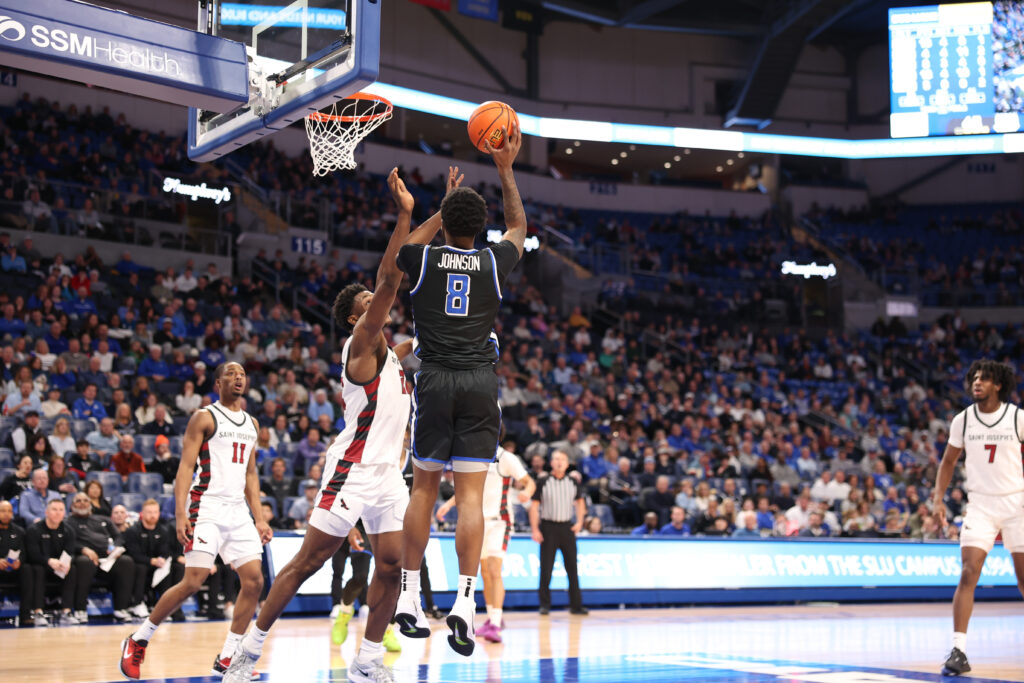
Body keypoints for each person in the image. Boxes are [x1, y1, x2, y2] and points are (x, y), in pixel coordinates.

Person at [224, 168, 436, 683]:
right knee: (306, 564)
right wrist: (407, 215)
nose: (376, 300)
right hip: (351, 470)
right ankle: (246, 652)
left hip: (389, 476)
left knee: (389, 566)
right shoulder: (360, 347)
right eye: (367, 302)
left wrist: (444, 216)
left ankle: (367, 663)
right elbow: (393, 276)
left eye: (374, 299)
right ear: (355, 318)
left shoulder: (394, 353)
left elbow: (417, 332)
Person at [394, 125, 526, 659]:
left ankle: (409, 595)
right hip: (477, 382)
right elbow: (517, 224)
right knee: (472, 498)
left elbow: (404, 247)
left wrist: (440, 212)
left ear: (447, 223)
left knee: (424, 489)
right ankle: (465, 604)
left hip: (435, 379)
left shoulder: (422, 260)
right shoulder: (494, 263)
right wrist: (504, 168)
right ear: (482, 228)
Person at [119, 362, 272, 680]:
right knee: (193, 580)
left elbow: (251, 473)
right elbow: (185, 468)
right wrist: (179, 514)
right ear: (218, 383)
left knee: (255, 581)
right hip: (206, 506)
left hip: (236, 510)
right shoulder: (204, 417)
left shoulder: (252, 423)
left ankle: (229, 657)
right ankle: (138, 639)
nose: (238, 377)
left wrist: (259, 517)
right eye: (231, 373)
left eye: (242, 373)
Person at [932, 360, 1024, 676]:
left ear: (998, 384)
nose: (977, 382)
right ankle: (959, 651)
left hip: (1017, 505)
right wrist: (937, 500)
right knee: (969, 571)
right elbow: (947, 463)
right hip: (981, 505)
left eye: (984, 378)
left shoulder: (1017, 417)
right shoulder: (963, 420)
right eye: (974, 378)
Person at [434, 439, 535, 643]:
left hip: (500, 521)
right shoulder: (475, 457)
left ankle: (496, 624)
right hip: (478, 522)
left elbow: (529, 482)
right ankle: (492, 618)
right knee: (486, 574)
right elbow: (469, 490)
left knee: (494, 570)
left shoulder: (505, 458)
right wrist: (449, 504)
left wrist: (526, 492)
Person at [529, 449, 588, 616]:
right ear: (551, 463)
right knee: (546, 568)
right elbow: (534, 507)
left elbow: (580, 502)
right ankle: (545, 605)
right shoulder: (543, 481)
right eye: (556, 459)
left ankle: (576, 606)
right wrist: (535, 529)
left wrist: (580, 522)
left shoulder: (573, 482)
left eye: (562, 459)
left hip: (567, 528)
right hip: (548, 528)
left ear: (568, 463)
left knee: (572, 568)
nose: (560, 462)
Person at [65, 492, 136, 621]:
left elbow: (119, 536)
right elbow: (67, 541)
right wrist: (83, 549)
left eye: (85, 500)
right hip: (85, 560)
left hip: (107, 560)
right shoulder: (68, 522)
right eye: (78, 501)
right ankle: (80, 609)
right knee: (84, 562)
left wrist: (115, 547)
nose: (82, 503)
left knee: (126, 561)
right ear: (72, 505)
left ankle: (121, 608)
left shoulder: (103, 519)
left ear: (90, 504)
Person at [124, 499, 184, 616]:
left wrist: (162, 558)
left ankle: (166, 605)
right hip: (140, 564)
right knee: (141, 567)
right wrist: (152, 560)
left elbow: (166, 550)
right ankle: (138, 603)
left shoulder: (163, 530)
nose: (153, 515)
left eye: (155, 512)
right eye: (149, 512)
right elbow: (133, 554)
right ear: (142, 513)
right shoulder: (133, 530)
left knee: (170, 567)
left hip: (157, 564)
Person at [24, 498, 76, 626]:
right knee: (38, 569)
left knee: (72, 569)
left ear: (64, 513)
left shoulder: (69, 530)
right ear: (46, 512)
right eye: (54, 509)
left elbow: (71, 551)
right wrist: (48, 561)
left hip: (59, 566)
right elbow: (32, 554)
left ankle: (67, 612)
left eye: (61, 510)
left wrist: (66, 562)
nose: (57, 513)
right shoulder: (34, 530)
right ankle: (38, 612)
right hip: (41, 564)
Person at [0, 499, 32, 627]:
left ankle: (25, 615)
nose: (6, 514)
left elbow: (24, 552)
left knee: (28, 569)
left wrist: (19, 561)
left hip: (13, 569)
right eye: (2, 511)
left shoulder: (19, 531)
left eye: (9, 511)